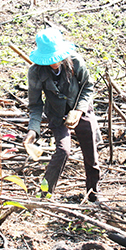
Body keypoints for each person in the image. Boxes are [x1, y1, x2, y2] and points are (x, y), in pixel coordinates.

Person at [23, 28, 102, 202]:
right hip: (57, 114)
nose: (55, 62)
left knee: (91, 154)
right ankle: (45, 194)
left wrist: (79, 110)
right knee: (63, 151)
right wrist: (32, 131)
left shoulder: (75, 62)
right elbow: (35, 105)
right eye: (50, 59)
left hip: (80, 108)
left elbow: (88, 86)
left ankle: (93, 194)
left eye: (57, 57)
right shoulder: (36, 72)